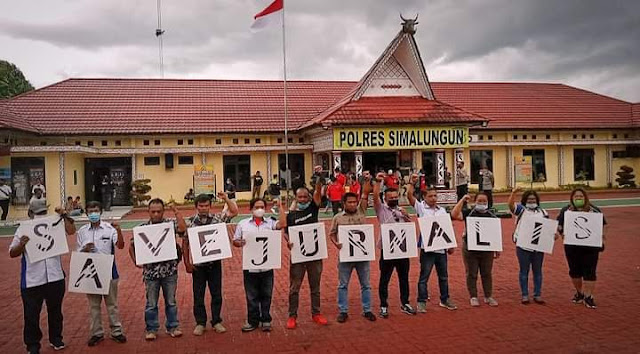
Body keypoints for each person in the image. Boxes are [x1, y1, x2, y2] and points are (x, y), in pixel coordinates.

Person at [10, 205, 76, 354]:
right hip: (32, 279)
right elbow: (12, 252)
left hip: (55, 276)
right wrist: (21, 244)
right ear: (30, 213)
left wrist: (64, 215)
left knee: (56, 311)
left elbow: (71, 231)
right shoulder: (23, 229)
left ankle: (56, 338)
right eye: (38, 212)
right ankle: (33, 345)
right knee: (31, 314)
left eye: (44, 212)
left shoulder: (55, 224)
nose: (42, 215)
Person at [129, 198, 186, 340]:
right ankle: (151, 329)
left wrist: (176, 211)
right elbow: (132, 245)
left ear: (163, 212)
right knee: (151, 303)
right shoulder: (142, 228)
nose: (156, 214)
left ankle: (172, 326)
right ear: (148, 212)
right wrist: (136, 261)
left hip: (169, 271)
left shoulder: (169, 225)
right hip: (150, 273)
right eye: (153, 211)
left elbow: (183, 229)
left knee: (171, 302)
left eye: (159, 211)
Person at [182, 192, 238, 336]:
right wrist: (187, 262)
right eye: (201, 206)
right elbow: (185, 243)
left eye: (206, 205)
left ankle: (216, 321)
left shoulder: (217, 219)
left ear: (210, 206)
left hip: (214, 264)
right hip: (198, 266)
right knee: (198, 295)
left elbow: (234, 211)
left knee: (216, 293)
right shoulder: (190, 222)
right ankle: (200, 323)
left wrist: (226, 198)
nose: (203, 208)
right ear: (196, 206)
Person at [76, 201, 127, 346]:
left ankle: (116, 331)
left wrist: (119, 231)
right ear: (86, 213)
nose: (93, 213)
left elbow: (120, 245)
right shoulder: (82, 232)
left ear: (100, 212)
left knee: (112, 304)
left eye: (96, 210)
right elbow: (78, 252)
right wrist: (85, 249)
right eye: (90, 211)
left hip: (109, 271)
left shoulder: (109, 229)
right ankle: (96, 333)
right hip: (90, 272)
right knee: (93, 306)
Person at [233, 197, 286, 332]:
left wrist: (280, 207)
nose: (259, 209)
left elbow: (283, 224)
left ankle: (266, 320)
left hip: (267, 265)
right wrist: (240, 243)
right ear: (251, 209)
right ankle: (253, 321)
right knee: (251, 296)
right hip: (250, 267)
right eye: (256, 207)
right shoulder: (242, 224)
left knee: (266, 294)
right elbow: (235, 240)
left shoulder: (270, 223)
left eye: (262, 207)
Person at [407, 177, 457, 313]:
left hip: (441, 249)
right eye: (430, 196)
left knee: (444, 276)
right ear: (424, 197)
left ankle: (445, 299)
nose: (433, 198)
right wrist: (412, 183)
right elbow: (409, 196)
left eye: (435, 196)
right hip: (427, 249)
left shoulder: (442, 210)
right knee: (424, 277)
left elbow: (446, 227)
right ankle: (421, 301)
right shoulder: (421, 208)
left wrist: (450, 245)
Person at [329, 185, 377, 323]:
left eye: (354, 202)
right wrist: (336, 243)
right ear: (344, 204)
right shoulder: (338, 218)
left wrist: (368, 183)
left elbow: (365, 195)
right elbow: (332, 234)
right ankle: (343, 311)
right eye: (349, 202)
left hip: (362, 255)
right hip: (345, 256)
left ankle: (367, 310)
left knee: (366, 284)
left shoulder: (362, 212)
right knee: (343, 284)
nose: (352, 204)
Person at [284, 178, 327, 329]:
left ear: (308, 198)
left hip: (315, 255)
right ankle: (292, 316)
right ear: (295, 198)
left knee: (315, 286)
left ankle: (316, 313)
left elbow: (317, 193)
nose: (302, 199)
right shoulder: (291, 215)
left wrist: (318, 179)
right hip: (298, 256)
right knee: (294, 287)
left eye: (304, 197)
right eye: (299, 197)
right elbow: (286, 233)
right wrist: (288, 241)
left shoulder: (313, 209)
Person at [372, 172, 416, 318]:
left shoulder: (401, 210)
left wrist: (405, 215)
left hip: (402, 249)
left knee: (404, 277)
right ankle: (383, 305)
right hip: (388, 249)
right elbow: (375, 197)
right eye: (391, 198)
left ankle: (405, 303)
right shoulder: (381, 209)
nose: (394, 199)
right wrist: (378, 182)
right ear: (385, 198)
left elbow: (409, 226)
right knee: (385, 278)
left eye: (396, 197)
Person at [556, 188, 606, 309]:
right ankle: (579, 293)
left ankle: (589, 296)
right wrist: (561, 233)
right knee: (574, 271)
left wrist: (602, 239)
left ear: (585, 198)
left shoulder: (594, 211)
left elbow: (603, 225)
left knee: (590, 271)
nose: (578, 199)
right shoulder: (565, 210)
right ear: (572, 198)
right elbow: (559, 225)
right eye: (576, 197)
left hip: (590, 247)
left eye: (581, 196)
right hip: (572, 247)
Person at [451, 192, 500, 307]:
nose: (482, 203)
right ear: (475, 202)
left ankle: (488, 296)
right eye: (479, 201)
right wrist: (462, 200)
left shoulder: (491, 215)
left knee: (487, 273)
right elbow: (454, 214)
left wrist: (497, 248)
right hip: (470, 249)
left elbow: (495, 232)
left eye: (484, 201)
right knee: (471, 273)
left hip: (487, 249)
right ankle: (473, 296)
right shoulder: (469, 213)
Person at [508, 187, 549, 304]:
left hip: (538, 247)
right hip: (523, 246)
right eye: (529, 199)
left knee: (538, 271)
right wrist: (513, 193)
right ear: (525, 200)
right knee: (524, 271)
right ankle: (525, 295)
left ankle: (537, 294)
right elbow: (511, 206)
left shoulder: (543, 212)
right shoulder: (521, 210)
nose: (531, 201)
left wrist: (553, 234)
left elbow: (547, 227)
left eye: (533, 199)